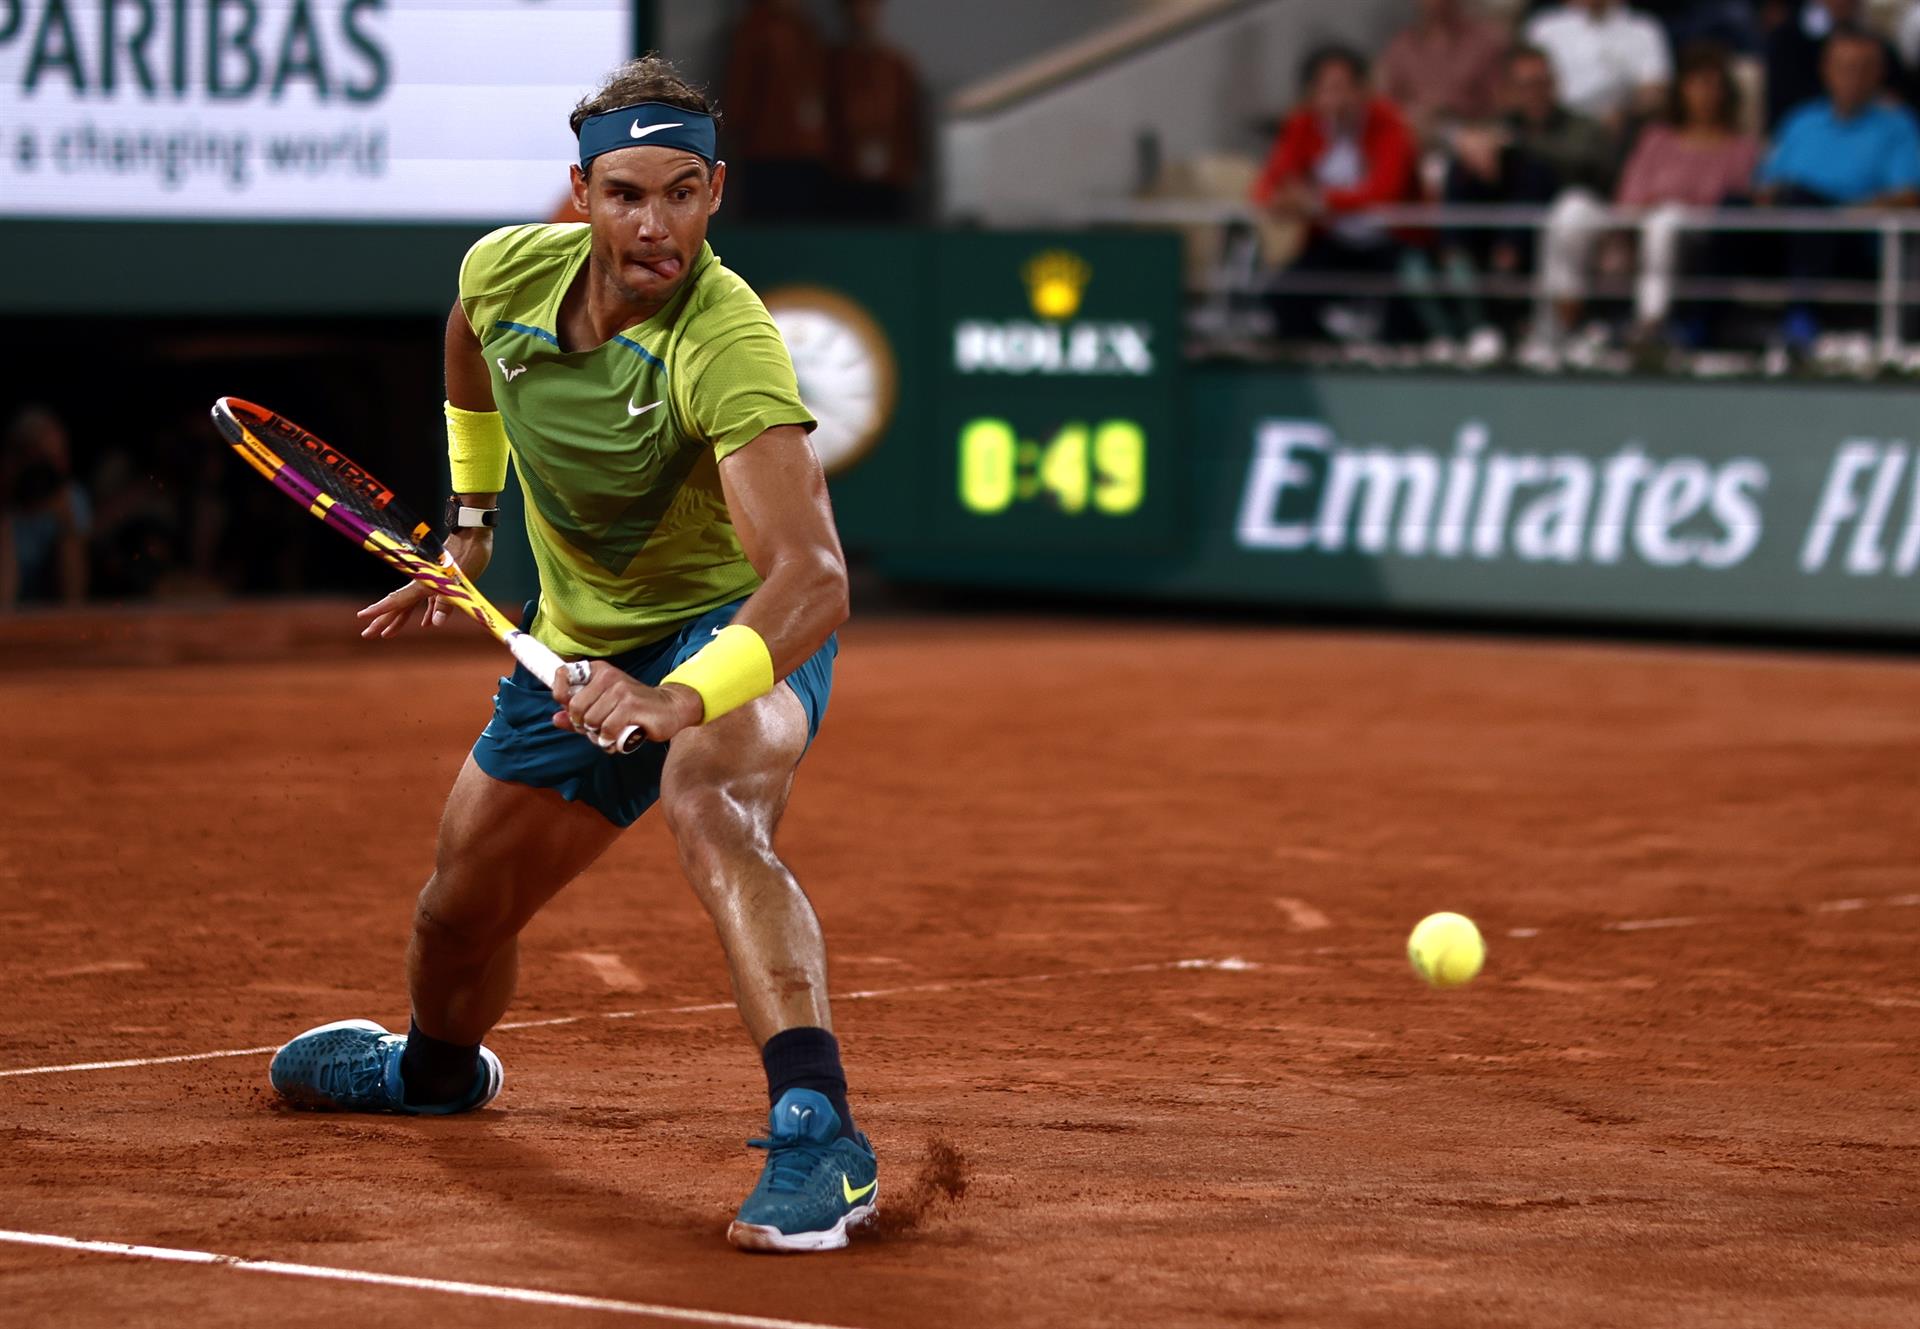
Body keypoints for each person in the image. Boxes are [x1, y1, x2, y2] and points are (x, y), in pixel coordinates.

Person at [264, 55, 875, 1255]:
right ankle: (436, 1074)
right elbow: (464, 350)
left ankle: (822, 1135)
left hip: (733, 631)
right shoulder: (503, 273)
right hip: (580, 642)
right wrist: (474, 523)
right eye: (628, 194)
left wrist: (677, 696)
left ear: (716, 193)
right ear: (583, 193)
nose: (657, 226)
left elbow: (813, 578)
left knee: (711, 802)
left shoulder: (723, 340)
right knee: (455, 920)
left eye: (684, 193)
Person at [1538, 43, 1763, 346]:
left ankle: (1647, 327)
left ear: (1726, 93)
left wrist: (1662, 204)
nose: (1705, 94)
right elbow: (1631, 190)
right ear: (1682, 90)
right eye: (1696, 84)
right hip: (1636, 221)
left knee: (1664, 220)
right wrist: (1631, 223)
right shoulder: (1656, 137)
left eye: (1713, 86)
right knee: (1572, 207)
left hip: (1690, 234)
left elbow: (1724, 204)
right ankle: (1560, 327)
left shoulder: (1741, 148)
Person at [1434, 47, 1617, 348]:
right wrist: (1467, 144)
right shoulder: (1500, 127)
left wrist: (1513, 149)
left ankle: (1556, 332)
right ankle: (1469, 308)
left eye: (1542, 82)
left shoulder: (1583, 128)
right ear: (1509, 90)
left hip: (1575, 224)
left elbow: (1588, 167)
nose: (1536, 92)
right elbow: (1441, 131)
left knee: (1549, 195)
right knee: (1462, 170)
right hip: (1517, 229)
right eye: (1525, 85)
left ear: (1556, 83)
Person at [1757, 26, 1920, 344]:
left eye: (1862, 68)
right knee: (1732, 206)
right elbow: (1765, 186)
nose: (1852, 77)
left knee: (1808, 208)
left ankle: (1801, 315)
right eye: (1844, 67)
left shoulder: (1899, 125)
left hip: (1854, 241)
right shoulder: (1800, 121)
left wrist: (1839, 214)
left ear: (1879, 74)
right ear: (1825, 70)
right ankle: (1691, 325)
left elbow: (1908, 196)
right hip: (1785, 231)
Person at [1250, 45, 1419, 341]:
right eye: (1325, 89)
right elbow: (1267, 186)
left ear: (1363, 90)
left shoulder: (1389, 124)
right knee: (1282, 295)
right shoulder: (1303, 125)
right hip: (1334, 241)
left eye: (1342, 88)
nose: (1335, 99)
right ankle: (1324, 352)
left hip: (1388, 241)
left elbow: (1385, 193)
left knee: (1407, 305)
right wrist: (1281, 201)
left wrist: (1319, 201)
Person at [725, 0, 832, 221]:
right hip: (767, 154)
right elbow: (740, 92)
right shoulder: (756, 28)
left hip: (809, 156)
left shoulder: (809, 30)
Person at [826, 0, 923, 222]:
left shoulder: (897, 66)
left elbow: (909, 123)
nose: (862, 13)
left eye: (869, 6)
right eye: (856, 6)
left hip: (892, 182)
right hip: (843, 181)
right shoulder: (833, 65)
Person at [1525, 0, 1674, 126]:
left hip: (1619, 126)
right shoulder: (1545, 27)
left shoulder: (1643, 29)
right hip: (1554, 124)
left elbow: (1655, 91)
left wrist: (1626, 114)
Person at [1377, 0, 1512, 138]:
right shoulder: (1401, 49)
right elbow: (1388, 106)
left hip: (1472, 139)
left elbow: (1502, 105)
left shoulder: (1488, 43)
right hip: (1413, 141)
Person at [0, 406, 89, 610]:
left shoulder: (68, 498)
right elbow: (3, 604)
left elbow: (73, 601)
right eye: (39, 460)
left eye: (56, 459)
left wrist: (67, 525)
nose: (45, 474)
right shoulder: (5, 500)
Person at [1764, 0, 1903, 129]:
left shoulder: (1878, 44)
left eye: (1864, 70)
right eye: (1845, 69)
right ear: (1824, 68)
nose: (1854, 80)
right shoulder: (1787, 41)